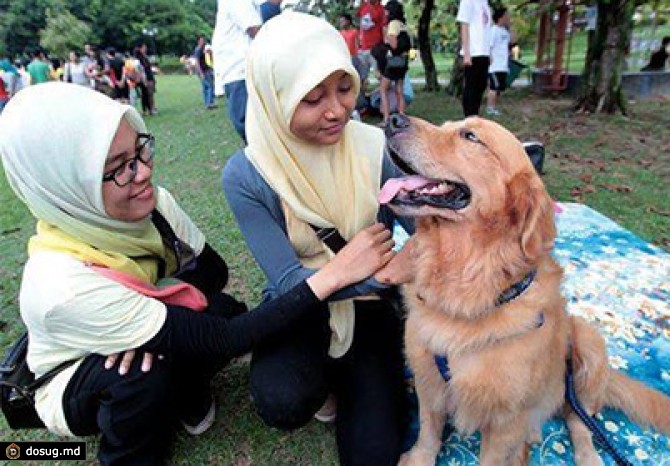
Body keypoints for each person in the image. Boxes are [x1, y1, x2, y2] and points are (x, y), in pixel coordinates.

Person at [0, 82, 394, 465]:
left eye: (138, 149)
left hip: (148, 315)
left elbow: (212, 273)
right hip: (79, 372)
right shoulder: (61, 287)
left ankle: (183, 384)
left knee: (223, 310)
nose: (141, 173)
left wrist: (143, 314)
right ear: (66, 187)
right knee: (141, 374)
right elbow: (223, 340)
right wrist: (336, 273)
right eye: (117, 169)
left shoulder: (151, 206)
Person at [222, 13, 415, 466]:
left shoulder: (374, 148)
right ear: (274, 100)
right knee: (282, 400)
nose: (337, 111)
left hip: (370, 309)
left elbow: (425, 230)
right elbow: (289, 281)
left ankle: (356, 377)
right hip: (299, 306)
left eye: (344, 88)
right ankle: (330, 382)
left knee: (374, 454)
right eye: (312, 98)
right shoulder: (248, 175)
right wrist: (363, 271)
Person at [212, 0, 262, 143]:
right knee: (249, 126)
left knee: (250, 126)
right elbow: (255, 29)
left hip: (240, 72)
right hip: (240, 71)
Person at [373, 0, 411, 126]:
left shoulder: (393, 24)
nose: (385, 12)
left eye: (386, 10)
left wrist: (386, 39)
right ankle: (402, 116)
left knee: (383, 89)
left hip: (393, 62)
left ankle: (386, 119)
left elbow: (393, 45)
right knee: (399, 90)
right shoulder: (403, 24)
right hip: (403, 62)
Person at [457, 0, 492, 116]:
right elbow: (464, 26)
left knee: (481, 85)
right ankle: (469, 116)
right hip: (473, 52)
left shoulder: (485, 2)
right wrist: (467, 52)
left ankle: (475, 114)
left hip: (484, 51)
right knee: (471, 87)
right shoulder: (467, 1)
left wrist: (489, 51)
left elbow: (487, 29)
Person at [485, 7, 510, 116]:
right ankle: (490, 108)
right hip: (494, 66)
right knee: (493, 87)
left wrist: (511, 26)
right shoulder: (493, 30)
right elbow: (488, 46)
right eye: (506, 16)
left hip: (503, 65)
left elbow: (512, 41)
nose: (508, 18)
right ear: (500, 17)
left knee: (499, 88)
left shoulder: (505, 31)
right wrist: (490, 59)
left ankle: (494, 106)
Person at [356, 0, 386, 88]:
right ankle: (362, 99)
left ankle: (387, 91)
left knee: (378, 74)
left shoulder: (381, 9)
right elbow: (357, 14)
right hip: (363, 48)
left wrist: (384, 45)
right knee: (362, 76)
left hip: (375, 47)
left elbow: (384, 28)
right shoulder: (364, 6)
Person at [134, 43, 157, 115]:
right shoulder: (139, 59)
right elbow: (140, 70)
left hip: (149, 76)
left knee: (149, 93)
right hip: (145, 78)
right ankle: (149, 109)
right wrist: (144, 80)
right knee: (147, 94)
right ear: (140, 49)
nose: (145, 49)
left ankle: (150, 108)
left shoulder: (145, 57)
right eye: (144, 47)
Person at [194, 35, 216, 109]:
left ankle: (208, 103)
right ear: (198, 41)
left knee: (206, 87)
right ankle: (209, 103)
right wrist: (200, 73)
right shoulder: (198, 50)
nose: (203, 42)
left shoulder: (205, 49)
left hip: (207, 69)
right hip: (204, 71)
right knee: (210, 86)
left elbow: (210, 57)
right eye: (201, 40)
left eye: (203, 40)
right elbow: (197, 62)